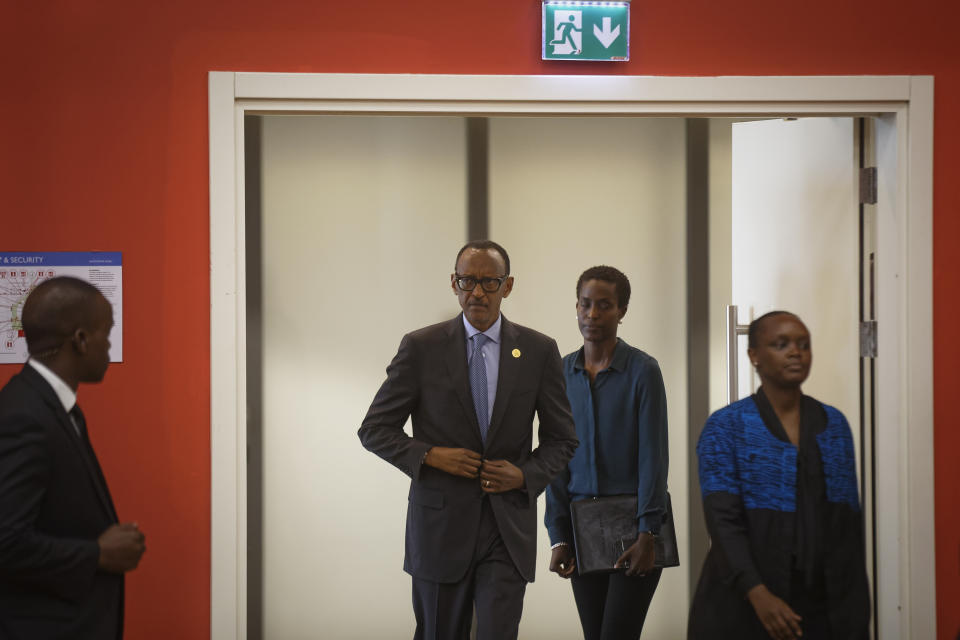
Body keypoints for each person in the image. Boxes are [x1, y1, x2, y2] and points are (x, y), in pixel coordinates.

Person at [358, 240, 578, 640]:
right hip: (439, 530)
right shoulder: (421, 347)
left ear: (507, 286)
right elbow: (374, 429)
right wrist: (429, 455)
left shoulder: (538, 350)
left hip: (506, 529)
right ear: (453, 283)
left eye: (489, 282)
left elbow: (563, 440)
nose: (477, 292)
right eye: (467, 281)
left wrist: (524, 475)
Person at [689, 311, 870, 640]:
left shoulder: (835, 425)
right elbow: (722, 521)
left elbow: (847, 527)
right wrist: (756, 592)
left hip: (822, 603)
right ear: (754, 355)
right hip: (742, 602)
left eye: (804, 344)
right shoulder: (726, 426)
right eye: (781, 344)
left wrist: (856, 611)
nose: (795, 352)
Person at [0, 276, 146, 639]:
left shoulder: (55, 408)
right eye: (106, 334)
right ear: (80, 340)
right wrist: (97, 554)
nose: (109, 347)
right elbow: (6, 542)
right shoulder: (24, 415)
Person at [544, 265, 669, 640]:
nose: (592, 315)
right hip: (583, 530)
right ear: (576, 307)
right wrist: (559, 535)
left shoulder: (643, 371)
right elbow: (555, 458)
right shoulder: (560, 373)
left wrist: (648, 532)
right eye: (585, 304)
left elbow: (653, 457)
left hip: (636, 528)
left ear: (622, 311)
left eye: (604, 306)